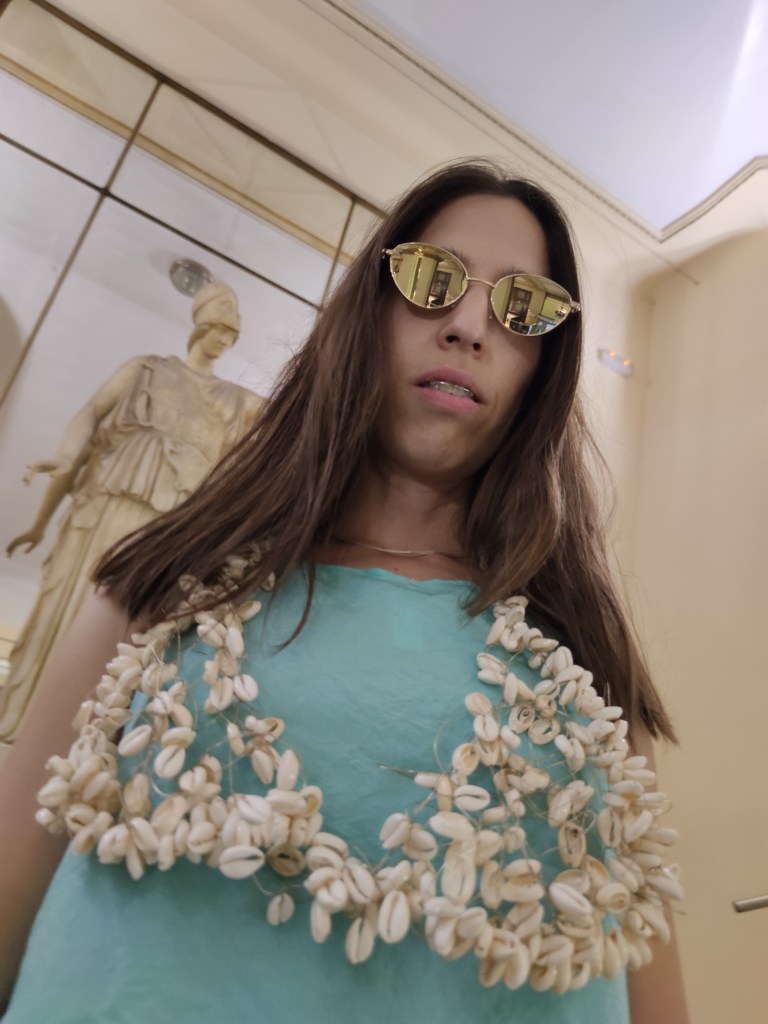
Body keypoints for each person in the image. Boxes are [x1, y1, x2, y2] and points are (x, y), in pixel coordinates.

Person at [0, 161, 690, 1023]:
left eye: (523, 308)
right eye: (432, 280)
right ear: (370, 306)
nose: (469, 325)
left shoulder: (583, 665)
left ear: (544, 365)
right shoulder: (165, 587)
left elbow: (648, 977)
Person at [0, 282, 264, 745]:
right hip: (105, 506)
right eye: (219, 327)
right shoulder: (146, 370)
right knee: (74, 607)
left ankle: (87, 746)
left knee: (132, 630)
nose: (224, 339)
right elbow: (90, 414)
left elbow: (267, 442)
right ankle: (29, 727)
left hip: (168, 528)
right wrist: (59, 473)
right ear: (201, 324)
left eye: (232, 333)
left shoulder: (239, 402)